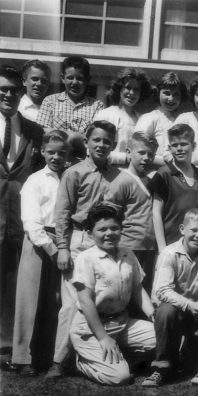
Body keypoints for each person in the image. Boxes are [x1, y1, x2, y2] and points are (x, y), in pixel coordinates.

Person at [50, 120, 119, 379]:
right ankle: (58, 361)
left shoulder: (116, 174)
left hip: (105, 242)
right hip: (78, 241)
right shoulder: (75, 172)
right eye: (97, 140)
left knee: (98, 301)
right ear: (87, 143)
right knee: (72, 304)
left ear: (113, 145)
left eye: (107, 141)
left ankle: (90, 356)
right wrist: (62, 248)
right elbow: (62, 213)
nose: (102, 145)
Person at [69, 204, 155, 385]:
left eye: (114, 228)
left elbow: (138, 289)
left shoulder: (128, 253)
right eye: (102, 229)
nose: (109, 233)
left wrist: (152, 315)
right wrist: (103, 337)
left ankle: (117, 356)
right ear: (90, 233)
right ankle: (80, 362)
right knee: (120, 377)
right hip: (91, 328)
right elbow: (85, 302)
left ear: (121, 229)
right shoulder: (86, 258)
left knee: (165, 337)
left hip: (122, 323)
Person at [141, 209, 198, 388]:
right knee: (165, 311)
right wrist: (188, 304)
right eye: (194, 230)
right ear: (183, 229)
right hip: (175, 308)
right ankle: (162, 366)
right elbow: (162, 290)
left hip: (197, 308)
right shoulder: (169, 254)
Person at [12, 130, 69, 375]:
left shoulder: (70, 176)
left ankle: (48, 355)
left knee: (56, 300)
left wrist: (63, 246)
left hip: (63, 238)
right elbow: (32, 222)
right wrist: (52, 249)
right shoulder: (35, 180)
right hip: (37, 241)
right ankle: (23, 358)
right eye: (52, 152)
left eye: (61, 153)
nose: (56, 157)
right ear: (42, 152)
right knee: (30, 299)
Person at [0, 65, 44, 368]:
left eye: (14, 90)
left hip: (17, 219)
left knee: (11, 284)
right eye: (3, 89)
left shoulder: (33, 130)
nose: (8, 94)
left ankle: (5, 346)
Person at [104, 132, 158, 290]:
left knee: (144, 291)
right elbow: (109, 214)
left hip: (149, 247)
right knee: (127, 290)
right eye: (141, 152)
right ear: (128, 152)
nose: (146, 158)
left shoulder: (149, 181)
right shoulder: (122, 181)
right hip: (129, 246)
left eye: (151, 154)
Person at [151, 124, 198, 250]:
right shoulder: (164, 173)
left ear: (193, 146)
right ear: (169, 148)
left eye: (184, 144)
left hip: (196, 243)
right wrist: (162, 248)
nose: (179, 149)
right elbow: (156, 212)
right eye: (174, 145)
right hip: (170, 243)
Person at [37, 56, 103, 156]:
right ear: (62, 78)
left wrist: (58, 133)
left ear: (88, 80)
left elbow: (94, 139)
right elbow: (43, 133)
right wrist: (76, 136)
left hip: (82, 161)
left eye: (80, 78)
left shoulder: (97, 106)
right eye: (70, 77)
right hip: (55, 160)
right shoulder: (50, 101)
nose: (75, 82)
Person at [94, 67, 151, 164]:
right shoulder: (105, 115)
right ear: (119, 89)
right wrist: (125, 158)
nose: (131, 93)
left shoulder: (142, 119)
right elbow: (95, 149)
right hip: (109, 171)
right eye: (128, 88)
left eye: (136, 89)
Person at [134, 72, 186, 161]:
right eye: (166, 93)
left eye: (176, 94)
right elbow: (137, 149)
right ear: (158, 93)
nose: (171, 98)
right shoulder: (149, 118)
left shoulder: (182, 120)